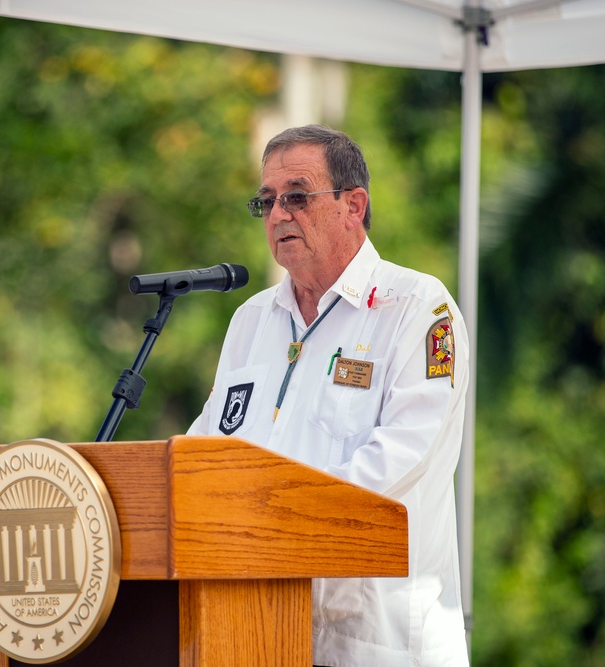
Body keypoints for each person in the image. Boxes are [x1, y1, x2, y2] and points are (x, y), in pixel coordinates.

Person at [187, 125, 470, 666]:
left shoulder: (417, 308)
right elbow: (208, 455)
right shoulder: (252, 320)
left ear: (353, 205)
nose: (277, 215)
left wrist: (265, 525)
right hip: (256, 632)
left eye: (297, 196)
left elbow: (394, 465)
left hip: (375, 641)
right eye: (266, 201)